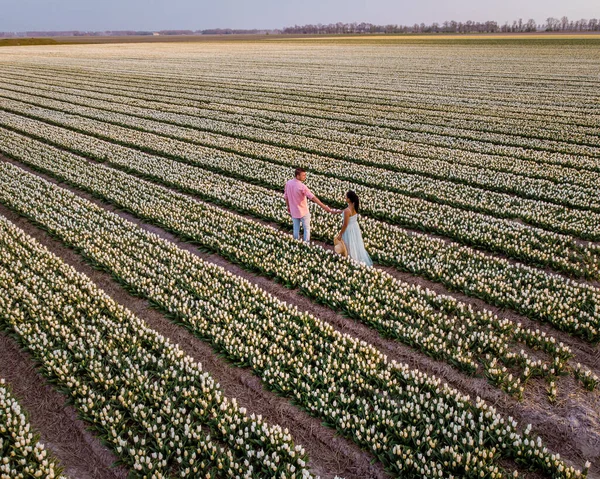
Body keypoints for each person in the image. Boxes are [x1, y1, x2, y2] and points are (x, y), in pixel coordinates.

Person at [284, 167, 333, 242]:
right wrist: (323, 206)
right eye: (303, 175)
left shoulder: (288, 183)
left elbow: (286, 197)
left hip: (293, 210)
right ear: (297, 176)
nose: (305, 177)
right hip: (303, 211)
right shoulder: (302, 187)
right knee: (306, 228)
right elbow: (312, 197)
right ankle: (306, 244)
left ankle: (295, 242)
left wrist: (288, 206)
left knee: (296, 228)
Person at [334, 191, 373, 267]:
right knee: (355, 243)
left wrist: (340, 234)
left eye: (346, 197)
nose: (345, 198)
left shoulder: (347, 211)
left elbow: (345, 224)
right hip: (355, 227)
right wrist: (338, 211)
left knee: (348, 244)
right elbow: (345, 212)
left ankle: (352, 259)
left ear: (349, 199)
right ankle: (357, 259)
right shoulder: (354, 207)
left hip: (349, 229)